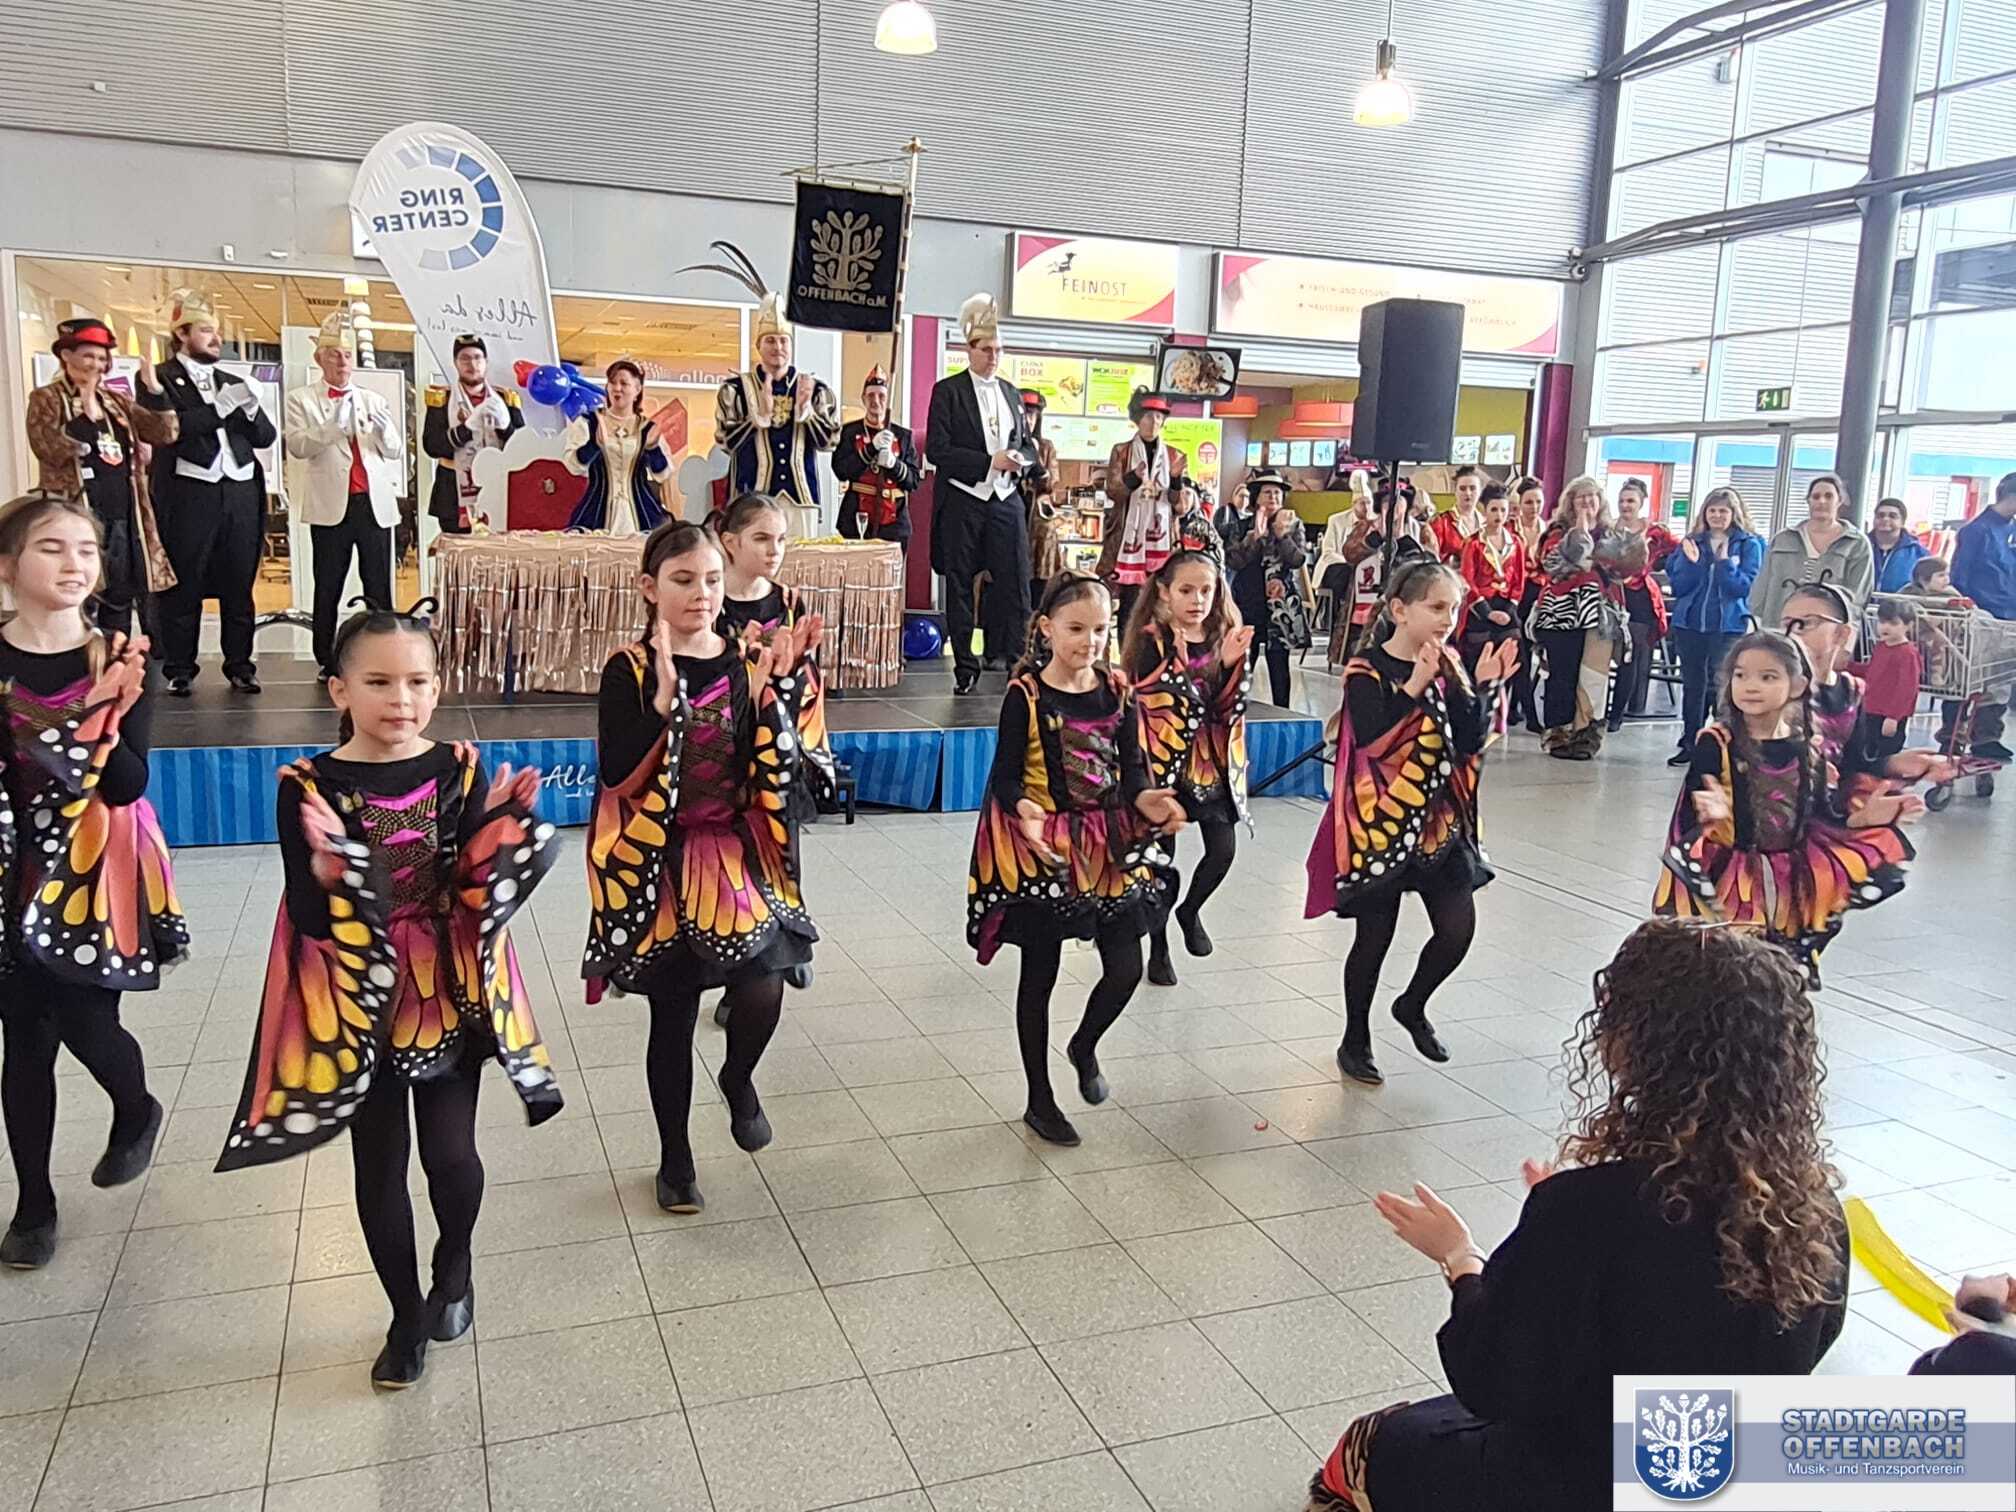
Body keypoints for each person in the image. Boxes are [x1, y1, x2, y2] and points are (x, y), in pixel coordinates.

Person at [1306, 919, 1849, 1512]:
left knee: (1380, 1439)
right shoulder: (1813, 1210)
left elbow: (1493, 1380)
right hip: (1719, 1473)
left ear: (1637, 1045)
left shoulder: (1584, 1209)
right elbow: (1803, 1341)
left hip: (1582, 1482)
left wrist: (1460, 1257)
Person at [216, 604, 559, 1387]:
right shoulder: (308, 785)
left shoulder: (460, 768)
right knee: (380, 1167)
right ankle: (404, 1317)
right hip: (356, 997)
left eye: (417, 682)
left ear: (437, 687)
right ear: (339, 689)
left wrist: (504, 832)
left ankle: (455, 1265)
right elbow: (310, 918)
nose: (401, 699)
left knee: (452, 1158)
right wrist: (332, 875)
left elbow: (474, 891)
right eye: (378, 682)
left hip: (445, 987)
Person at [584, 521, 821, 1214]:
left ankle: (738, 1077)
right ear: (649, 587)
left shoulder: (744, 661)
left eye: (713, 580)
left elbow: (769, 757)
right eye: (684, 580)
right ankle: (675, 1158)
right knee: (673, 1015)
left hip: (731, 850)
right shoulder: (628, 669)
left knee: (765, 983)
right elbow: (615, 772)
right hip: (660, 860)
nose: (702, 593)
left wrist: (786, 687)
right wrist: (662, 709)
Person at [0, 492, 182, 1269]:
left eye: (85, 550)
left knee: (85, 1019)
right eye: (52, 548)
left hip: (96, 870)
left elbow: (129, 782)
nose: (74, 563)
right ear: (8, 567)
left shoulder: (116, 657)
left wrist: (96, 719)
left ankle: (135, 1108)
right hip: (14, 868)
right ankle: (34, 1205)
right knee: (25, 1040)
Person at [965, 574, 1184, 1146]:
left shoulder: (1118, 690)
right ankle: (1039, 1097)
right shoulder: (1026, 696)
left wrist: (1150, 800)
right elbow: (1006, 775)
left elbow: (1132, 771)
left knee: (1126, 968)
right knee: (1039, 974)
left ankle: (1084, 1044)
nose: (1090, 641)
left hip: (1108, 844)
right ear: (1047, 629)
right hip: (1047, 848)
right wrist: (1024, 808)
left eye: (1101, 629)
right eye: (1076, 628)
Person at [1305, 561, 1516, 1086]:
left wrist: (1484, 687)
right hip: (1379, 824)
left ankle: (1413, 1003)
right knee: (1374, 939)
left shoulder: (1450, 663)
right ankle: (1355, 1038)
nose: (1448, 619)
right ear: (1400, 610)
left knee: (1457, 930)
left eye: (1454, 608)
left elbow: (1469, 740)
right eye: (1437, 607)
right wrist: (1419, 680)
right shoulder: (1365, 670)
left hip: (1438, 823)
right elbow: (1375, 740)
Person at [1654, 630, 1917, 986]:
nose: (1751, 686)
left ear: (1797, 686)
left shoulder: (1809, 751)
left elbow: (1821, 820)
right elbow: (1691, 819)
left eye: (1768, 677)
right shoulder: (1716, 743)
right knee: (1730, 974)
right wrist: (1710, 817)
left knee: (1779, 978)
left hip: (1790, 885)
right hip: (1734, 883)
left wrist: (1862, 819)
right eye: (1741, 675)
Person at [1123, 552, 1255, 988]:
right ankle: (1158, 948)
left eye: (1205, 590)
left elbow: (1230, 707)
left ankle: (1190, 909)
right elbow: (1159, 704)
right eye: (1186, 590)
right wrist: (1187, 668)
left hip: (1209, 763)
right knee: (1162, 860)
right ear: (1164, 592)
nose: (1197, 599)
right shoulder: (1151, 640)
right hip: (1163, 763)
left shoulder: (1224, 636)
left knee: (1223, 849)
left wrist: (1231, 665)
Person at [148, 288, 275, 697]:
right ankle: (180, 667)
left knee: (239, 583)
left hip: (238, 491)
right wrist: (218, 409)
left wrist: (250, 408)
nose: (216, 338)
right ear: (182, 334)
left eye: (216, 331)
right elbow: (168, 430)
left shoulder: (231, 381)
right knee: (185, 582)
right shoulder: (160, 378)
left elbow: (265, 437)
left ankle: (240, 665)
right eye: (206, 330)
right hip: (191, 492)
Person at [24, 317, 178, 640]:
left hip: (122, 512)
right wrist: (83, 418)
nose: (95, 364)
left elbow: (164, 433)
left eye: (101, 357)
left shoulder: (115, 401)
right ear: (66, 356)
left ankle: (116, 659)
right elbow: (47, 446)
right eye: (88, 356)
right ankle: (80, 661)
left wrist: (153, 389)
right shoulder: (47, 398)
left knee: (120, 595)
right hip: (77, 512)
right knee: (80, 595)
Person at [927, 294, 1044, 693]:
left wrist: (1020, 459)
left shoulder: (1011, 392)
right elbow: (937, 450)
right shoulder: (948, 391)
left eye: (998, 350)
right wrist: (988, 461)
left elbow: (1028, 445)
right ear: (969, 350)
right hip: (964, 497)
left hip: (1005, 499)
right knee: (960, 584)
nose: (993, 357)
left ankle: (1018, 660)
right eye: (986, 349)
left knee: (1017, 582)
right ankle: (965, 666)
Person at [284, 312, 402, 679]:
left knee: (378, 584)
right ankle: (328, 659)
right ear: (319, 359)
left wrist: (384, 431)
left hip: (372, 504)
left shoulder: (373, 399)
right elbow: (298, 446)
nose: (342, 361)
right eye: (334, 354)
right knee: (328, 585)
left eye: (347, 355)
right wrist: (332, 427)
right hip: (331, 506)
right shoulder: (301, 399)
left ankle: (384, 653)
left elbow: (395, 451)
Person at [716, 491, 837, 830]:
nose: (774, 550)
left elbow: (807, 679)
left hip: (778, 738)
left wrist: (795, 665)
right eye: (761, 539)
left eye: (781, 539)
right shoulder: (710, 601)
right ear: (730, 542)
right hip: (727, 738)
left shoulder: (788, 600)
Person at [711, 264, 840, 528]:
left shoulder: (814, 388)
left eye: (783, 340)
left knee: (802, 555)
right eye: (770, 340)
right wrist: (756, 419)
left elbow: (830, 442)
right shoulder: (735, 389)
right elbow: (725, 441)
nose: (777, 347)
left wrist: (807, 414)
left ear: (791, 345)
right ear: (758, 345)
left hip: (801, 498)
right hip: (750, 497)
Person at [1531, 476, 1634, 761]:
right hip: (1560, 615)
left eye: (1592, 496)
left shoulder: (1611, 535)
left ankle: (1586, 736)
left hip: (1599, 617)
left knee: (1594, 678)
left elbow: (1620, 571)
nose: (1588, 502)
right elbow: (1553, 566)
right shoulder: (1556, 533)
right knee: (1562, 676)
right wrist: (1579, 538)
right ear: (1571, 502)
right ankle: (1558, 735)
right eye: (1581, 497)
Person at [1664, 486, 1764, 767]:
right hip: (1689, 623)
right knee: (1693, 685)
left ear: (1734, 514)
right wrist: (1693, 564)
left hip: (1728, 625)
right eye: (1712, 510)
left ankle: (1720, 743)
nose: (1717, 516)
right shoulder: (1692, 542)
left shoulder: (1749, 544)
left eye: (1723, 511)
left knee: (1721, 686)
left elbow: (1742, 587)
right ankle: (1690, 741)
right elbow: (1679, 586)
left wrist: (1723, 563)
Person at [1098, 389, 1188, 627]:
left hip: (1162, 540)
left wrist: (1176, 479)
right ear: (1137, 419)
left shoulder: (1174, 455)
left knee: (1161, 605)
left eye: (1159, 417)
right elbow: (1113, 492)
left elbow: (1179, 505)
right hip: (1127, 538)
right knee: (1129, 605)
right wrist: (1133, 478)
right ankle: (1127, 647)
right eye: (1148, 416)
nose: (1154, 422)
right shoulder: (1122, 451)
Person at [1224, 468, 1309, 707]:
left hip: (1279, 606)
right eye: (1267, 492)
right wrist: (1254, 538)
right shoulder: (1242, 526)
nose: (1273, 497)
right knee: (1244, 659)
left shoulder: (1294, 525)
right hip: (1248, 601)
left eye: (1277, 493)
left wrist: (1282, 536)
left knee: (1279, 664)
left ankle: (1283, 710)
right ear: (1256, 497)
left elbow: (1298, 560)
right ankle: (1234, 707)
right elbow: (1233, 561)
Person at [422, 334, 522, 535]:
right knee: (457, 552)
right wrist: (466, 429)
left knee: (498, 551)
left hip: (498, 487)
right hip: (453, 493)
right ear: (455, 363)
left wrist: (505, 427)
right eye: (465, 358)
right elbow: (432, 446)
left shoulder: (505, 399)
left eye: (477, 357)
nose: (472, 364)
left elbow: (522, 449)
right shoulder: (442, 399)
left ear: (486, 362)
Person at [1947, 472, 2016, 761]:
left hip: (2009, 618)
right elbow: (1959, 577)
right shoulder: (1976, 531)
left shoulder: (2010, 529)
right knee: (1966, 681)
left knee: (2001, 682)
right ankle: (1951, 736)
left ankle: (1987, 737)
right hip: (1981, 616)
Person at [1751, 472, 1875, 627]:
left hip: (1827, 631)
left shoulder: (1857, 544)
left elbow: (1858, 597)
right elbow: (1761, 587)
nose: (1821, 501)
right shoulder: (1782, 539)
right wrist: (1756, 622)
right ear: (1808, 501)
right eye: (1816, 496)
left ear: (1839, 501)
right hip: (1779, 628)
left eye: (1828, 496)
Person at [566, 359, 671, 535]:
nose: (617, 388)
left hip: (642, 513)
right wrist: (593, 446)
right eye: (612, 383)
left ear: (637, 389)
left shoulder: (647, 428)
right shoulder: (588, 422)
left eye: (624, 383)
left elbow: (662, 475)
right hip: (596, 511)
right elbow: (573, 466)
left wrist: (653, 449)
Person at [1607, 478, 1677, 730]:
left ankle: (1618, 713)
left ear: (1641, 503)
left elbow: (1679, 550)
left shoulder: (1655, 532)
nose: (1625, 505)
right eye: (1622, 501)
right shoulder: (1608, 528)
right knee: (1604, 651)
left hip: (1640, 599)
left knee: (1631, 655)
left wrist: (1662, 566)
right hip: (1611, 595)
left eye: (1631, 501)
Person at [833, 365, 921, 550]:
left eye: (881, 396)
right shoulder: (850, 432)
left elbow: (912, 482)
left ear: (888, 400)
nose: (876, 401)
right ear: (863, 399)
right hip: (856, 517)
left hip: (894, 522)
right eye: (871, 395)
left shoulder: (903, 436)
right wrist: (870, 449)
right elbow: (841, 470)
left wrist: (893, 464)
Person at [1457, 483, 1526, 676]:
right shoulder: (1473, 543)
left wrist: (1510, 608)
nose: (1499, 515)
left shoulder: (1516, 542)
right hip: (1481, 607)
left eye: (1503, 510)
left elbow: (1519, 579)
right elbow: (1467, 580)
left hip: (1506, 607)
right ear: (1484, 511)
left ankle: (1513, 696)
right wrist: (1487, 612)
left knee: (1516, 657)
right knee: (1478, 656)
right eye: (1494, 509)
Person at [1848, 599, 1925, 768]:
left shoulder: (1907, 654)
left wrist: (1893, 717)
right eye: (1882, 622)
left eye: (1893, 623)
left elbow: (1907, 689)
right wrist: (1849, 667)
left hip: (1889, 715)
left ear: (1908, 626)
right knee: (1867, 752)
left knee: (1887, 757)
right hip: (1871, 709)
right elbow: (1873, 671)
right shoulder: (1881, 646)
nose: (1885, 627)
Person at [1019, 389, 1066, 599]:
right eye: (1024, 415)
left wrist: (1036, 460)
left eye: (1032, 415)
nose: (1028, 420)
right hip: (1013, 516)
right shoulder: (1005, 446)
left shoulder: (1046, 447)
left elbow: (1052, 484)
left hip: (1039, 524)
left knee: (1040, 582)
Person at [1869, 496, 1929, 595]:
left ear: (1902, 522)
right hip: (1860, 604)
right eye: (1880, 515)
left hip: (1901, 604)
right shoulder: (1859, 546)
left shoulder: (1919, 553)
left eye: (1892, 516)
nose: (1885, 519)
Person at [1428, 464, 1484, 562]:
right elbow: (1432, 558)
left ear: (1480, 491)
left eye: (1472, 488)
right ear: (1455, 491)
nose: (1468, 493)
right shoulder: (1441, 522)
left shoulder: (1487, 523)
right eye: (1462, 488)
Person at [1168, 476, 1224, 571]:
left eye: (1188, 493)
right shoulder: (1162, 523)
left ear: (1195, 499)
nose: (1182, 497)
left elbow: (1217, 556)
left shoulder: (1202, 526)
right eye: (1179, 493)